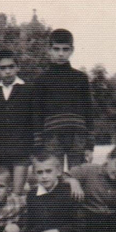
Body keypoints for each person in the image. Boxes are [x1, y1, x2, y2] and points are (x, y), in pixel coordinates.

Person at [32, 29, 94, 170]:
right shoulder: (41, 80)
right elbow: (37, 113)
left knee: (77, 174)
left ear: (72, 50)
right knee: (54, 175)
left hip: (77, 135)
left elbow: (89, 110)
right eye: (56, 49)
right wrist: (38, 143)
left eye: (65, 49)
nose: (61, 54)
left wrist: (90, 145)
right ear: (49, 50)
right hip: (52, 136)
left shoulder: (81, 78)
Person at [13, 148, 77, 232]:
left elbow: (78, 224)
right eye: (39, 172)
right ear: (34, 174)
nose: (44, 176)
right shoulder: (32, 194)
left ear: (58, 171)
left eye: (48, 171)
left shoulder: (69, 192)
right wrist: (19, 227)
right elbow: (31, 219)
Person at [0, 49, 34, 201]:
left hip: (21, 152)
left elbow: (35, 121)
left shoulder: (28, 90)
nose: (7, 71)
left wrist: (33, 150)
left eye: (11, 67)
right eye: (3, 68)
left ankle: (18, 217)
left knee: (16, 195)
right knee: (0, 195)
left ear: (18, 67)